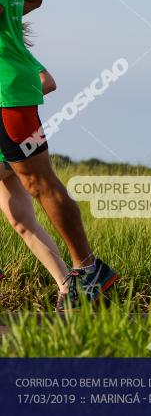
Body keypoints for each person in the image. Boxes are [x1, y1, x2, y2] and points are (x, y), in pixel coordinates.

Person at [0, 0, 117, 310]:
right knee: (26, 198)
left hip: (8, 88)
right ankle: (84, 273)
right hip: (11, 80)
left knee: (40, 183)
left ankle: (88, 269)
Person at [0, 58, 72, 307]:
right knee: (23, 222)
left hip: (10, 136)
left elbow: (47, 82)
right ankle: (69, 289)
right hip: (18, 137)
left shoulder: (11, 51)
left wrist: (10, 98)